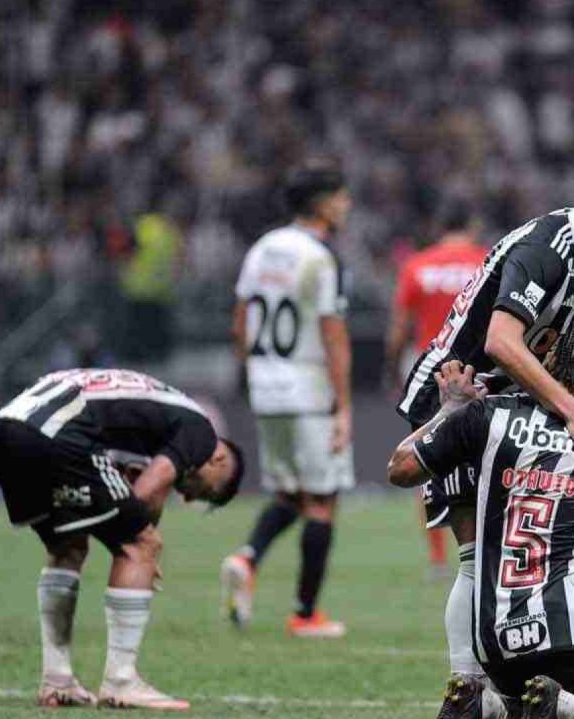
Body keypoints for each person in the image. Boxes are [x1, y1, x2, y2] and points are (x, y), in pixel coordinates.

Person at [394, 148, 574, 693]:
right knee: (477, 556)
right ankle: (467, 689)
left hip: (495, 399)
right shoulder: (548, 248)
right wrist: (573, 412)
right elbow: (500, 341)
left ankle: (495, 686)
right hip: (454, 393)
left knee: (501, 555)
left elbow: (540, 351)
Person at [388, 321, 574, 719]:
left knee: (518, 703)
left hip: (495, 637)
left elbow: (400, 468)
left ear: (549, 357)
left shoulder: (487, 416)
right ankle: (564, 706)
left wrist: (448, 410)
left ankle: (489, 704)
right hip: (569, 627)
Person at [0, 368, 244, 710]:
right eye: (208, 492)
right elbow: (149, 487)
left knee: (68, 546)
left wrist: (130, 532)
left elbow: (123, 488)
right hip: (57, 435)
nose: (191, 499)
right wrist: (140, 548)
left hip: (5, 431)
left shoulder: (155, 408)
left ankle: (57, 680)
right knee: (142, 545)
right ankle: (121, 681)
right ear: (218, 458)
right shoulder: (202, 433)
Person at [221, 159, 354, 638]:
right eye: (340, 195)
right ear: (321, 203)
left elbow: (239, 321)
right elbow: (333, 333)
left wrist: (255, 373)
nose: (347, 204)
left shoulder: (261, 248)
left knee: (290, 493)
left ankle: (247, 556)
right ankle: (305, 614)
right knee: (322, 499)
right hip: (309, 386)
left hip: (265, 386)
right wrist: (343, 405)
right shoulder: (321, 256)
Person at [385, 199, 487, 578]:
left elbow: (399, 327)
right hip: (476, 372)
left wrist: (394, 369)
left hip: (429, 371)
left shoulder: (417, 266)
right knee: (482, 461)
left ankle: (438, 558)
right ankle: (482, 549)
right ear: (471, 225)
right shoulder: (486, 260)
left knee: (424, 460)